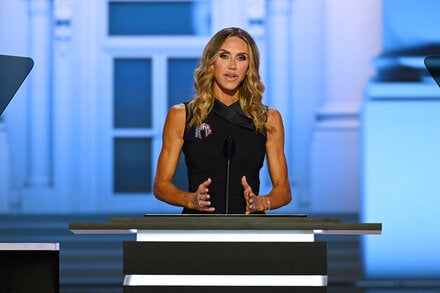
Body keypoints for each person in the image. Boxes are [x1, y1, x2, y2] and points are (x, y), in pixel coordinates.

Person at [153, 27, 292, 214]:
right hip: (198, 232)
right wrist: (190, 199)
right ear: (211, 62)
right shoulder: (182, 115)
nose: (232, 66)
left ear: (249, 67)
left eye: (241, 58)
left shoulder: (268, 119)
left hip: (248, 232)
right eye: (224, 56)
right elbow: (161, 186)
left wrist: (261, 203)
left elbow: (283, 191)